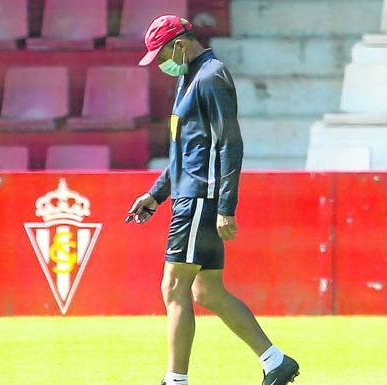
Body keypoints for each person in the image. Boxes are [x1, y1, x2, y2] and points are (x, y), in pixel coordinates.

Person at [126, 15, 300, 385]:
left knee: (173, 287)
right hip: (192, 196)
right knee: (207, 290)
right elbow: (185, 153)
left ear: (180, 44)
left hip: (200, 200)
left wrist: (225, 206)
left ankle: (175, 380)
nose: (160, 63)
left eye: (161, 55)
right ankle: (275, 361)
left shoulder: (210, 75)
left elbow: (229, 143)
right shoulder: (188, 77)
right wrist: (156, 195)